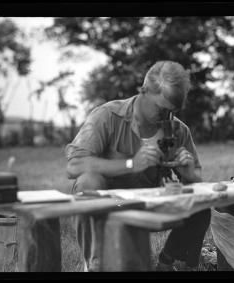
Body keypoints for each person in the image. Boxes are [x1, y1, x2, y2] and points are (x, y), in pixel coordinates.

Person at [65, 61, 211, 271]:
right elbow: (74, 166)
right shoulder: (107, 116)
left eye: (172, 111)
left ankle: (168, 263)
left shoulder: (178, 130)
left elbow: (197, 181)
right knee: (88, 181)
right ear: (144, 91)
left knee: (202, 203)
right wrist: (131, 164)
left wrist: (190, 175)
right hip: (114, 206)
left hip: (153, 206)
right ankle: (96, 264)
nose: (167, 117)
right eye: (161, 109)